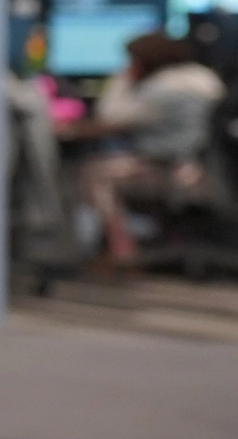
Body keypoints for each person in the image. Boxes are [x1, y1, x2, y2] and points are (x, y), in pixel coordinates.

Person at [78, 27, 225, 266]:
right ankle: (163, 235)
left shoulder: (163, 89)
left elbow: (110, 116)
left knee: (94, 174)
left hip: (175, 170)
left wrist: (122, 79)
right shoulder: (206, 79)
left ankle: (121, 249)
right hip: (209, 169)